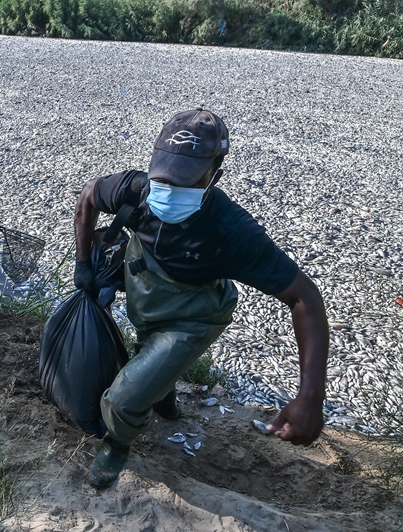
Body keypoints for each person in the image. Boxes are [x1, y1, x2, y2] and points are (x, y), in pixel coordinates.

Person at [73, 108, 329, 489]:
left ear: (214, 177)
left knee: (122, 399)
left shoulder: (230, 231)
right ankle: (163, 396)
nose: (169, 189)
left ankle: (117, 443)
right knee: (147, 352)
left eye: (186, 180)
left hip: (191, 319)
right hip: (146, 299)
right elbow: (87, 196)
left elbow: (305, 296)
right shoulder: (135, 190)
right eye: (163, 177)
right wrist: (82, 264)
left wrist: (310, 396)